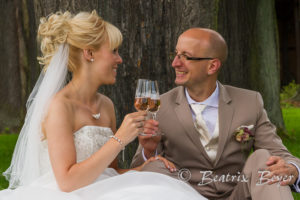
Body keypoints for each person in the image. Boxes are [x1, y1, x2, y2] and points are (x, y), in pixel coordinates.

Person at [0, 11, 206, 200]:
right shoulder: (60, 107)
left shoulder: (106, 105)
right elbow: (67, 182)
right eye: (114, 51)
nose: (120, 59)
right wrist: (120, 139)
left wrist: (145, 168)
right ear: (89, 53)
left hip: (102, 188)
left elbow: (110, 172)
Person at [131, 27, 300, 199]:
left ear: (212, 66)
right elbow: (138, 172)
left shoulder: (250, 102)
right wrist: (149, 151)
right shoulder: (159, 106)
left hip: (237, 195)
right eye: (175, 54)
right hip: (185, 195)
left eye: (185, 57)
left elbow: (278, 153)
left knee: (264, 158)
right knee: (154, 166)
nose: (175, 63)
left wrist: (293, 168)